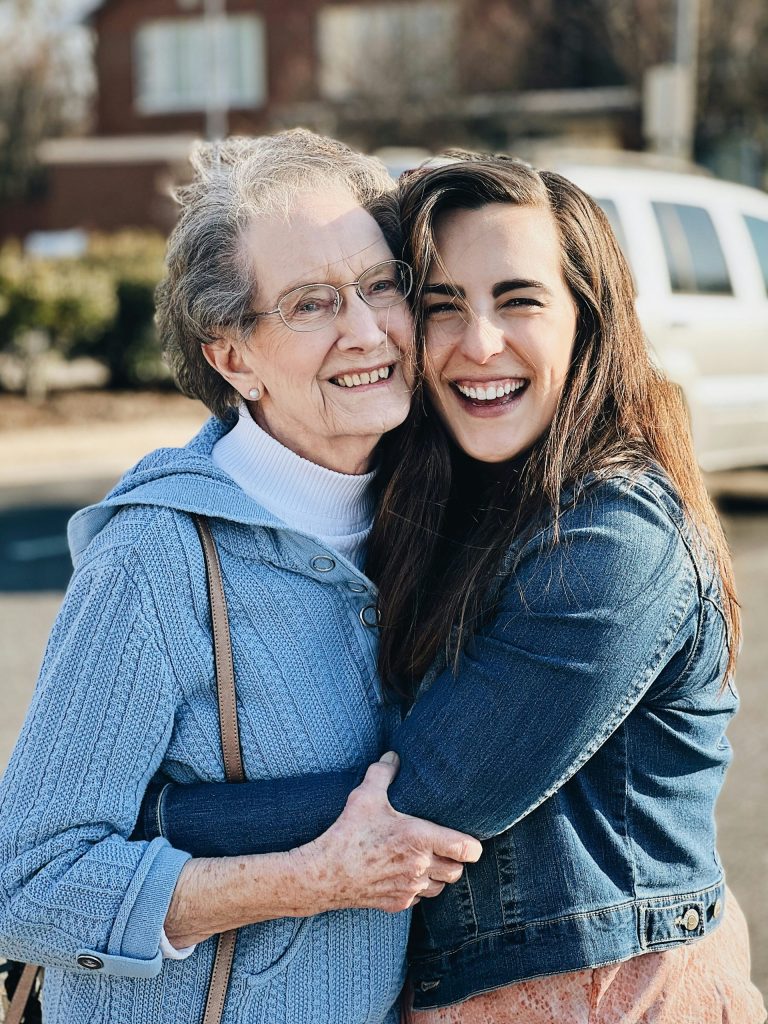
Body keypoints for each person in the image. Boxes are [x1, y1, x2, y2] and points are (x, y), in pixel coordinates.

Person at [137, 154, 767, 1023]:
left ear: (588, 320)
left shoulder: (616, 541)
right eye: (441, 307)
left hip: (613, 1000)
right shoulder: (456, 501)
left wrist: (159, 817)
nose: (479, 344)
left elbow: (419, 800)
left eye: (519, 300)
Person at [0, 130, 483, 1024]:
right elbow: (26, 880)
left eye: (383, 286)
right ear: (232, 357)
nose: (367, 329)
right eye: (311, 304)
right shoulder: (156, 561)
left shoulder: (433, 523)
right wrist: (310, 879)